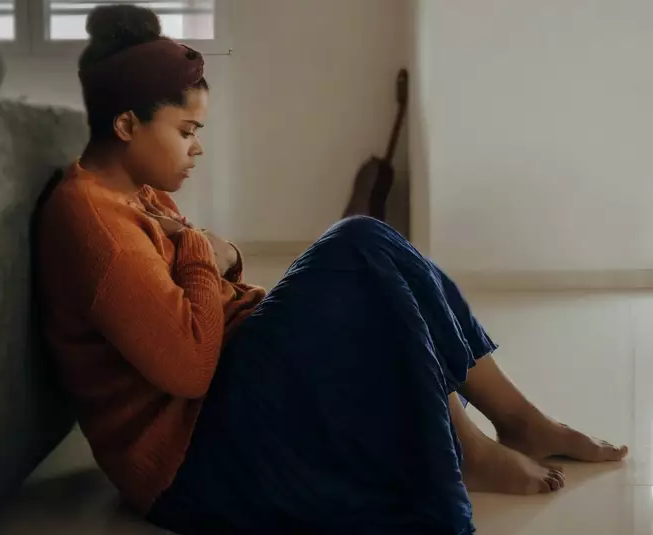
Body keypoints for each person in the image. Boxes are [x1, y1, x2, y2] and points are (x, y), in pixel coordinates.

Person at [33, 5, 628, 534]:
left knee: (367, 247)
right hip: (189, 459)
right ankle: (466, 448)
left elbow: (211, 276)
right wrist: (196, 249)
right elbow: (189, 368)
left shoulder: (137, 192)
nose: (198, 147)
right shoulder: (94, 225)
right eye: (186, 131)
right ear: (126, 125)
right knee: (356, 246)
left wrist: (220, 257)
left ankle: (517, 420)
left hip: (220, 396)